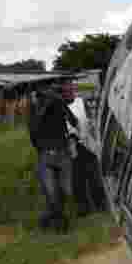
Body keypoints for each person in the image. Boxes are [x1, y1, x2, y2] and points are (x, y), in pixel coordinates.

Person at [29, 83, 79, 232]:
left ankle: (47, 219)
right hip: (46, 155)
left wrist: (71, 139)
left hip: (61, 153)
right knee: (52, 193)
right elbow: (33, 132)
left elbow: (73, 121)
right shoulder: (36, 109)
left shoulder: (58, 103)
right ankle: (59, 225)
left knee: (65, 191)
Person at [67, 87, 107, 216]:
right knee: (77, 179)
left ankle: (100, 205)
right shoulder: (59, 105)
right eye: (66, 89)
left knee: (94, 175)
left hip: (87, 143)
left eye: (71, 88)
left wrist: (93, 134)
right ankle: (83, 209)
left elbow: (92, 119)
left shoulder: (80, 102)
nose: (69, 91)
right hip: (71, 146)